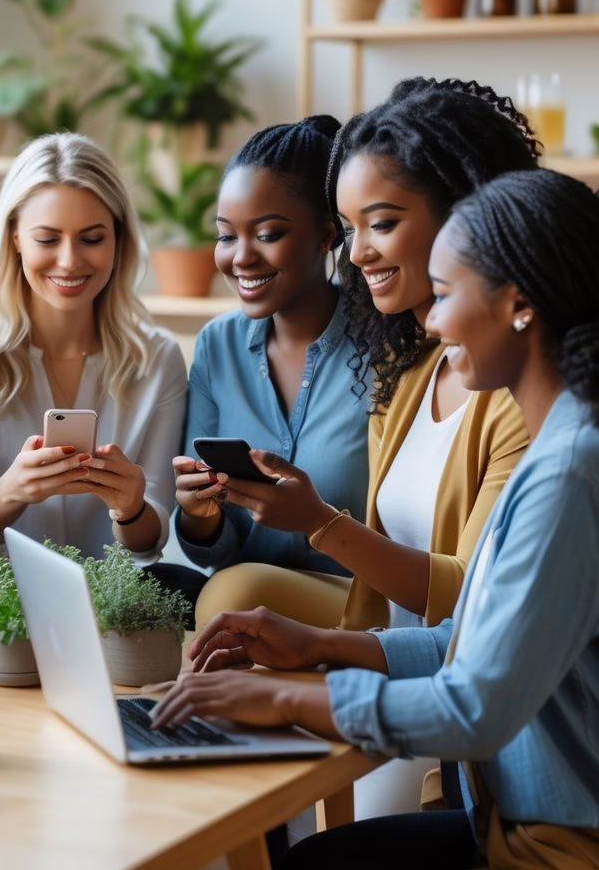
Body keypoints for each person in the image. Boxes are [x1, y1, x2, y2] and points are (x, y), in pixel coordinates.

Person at [151, 168, 599, 869]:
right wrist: (316, 647)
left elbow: (475, 707)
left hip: (553, 850)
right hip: (506, 825)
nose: (432, 320)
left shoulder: (570, 472)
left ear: (519, 304)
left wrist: (283, 699)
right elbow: (472, 642)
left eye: (447, 295)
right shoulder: (563, 443)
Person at [0, 132, 192, 628]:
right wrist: (14, 490)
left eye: (92, 238)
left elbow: (149, 540)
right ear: (15, 239)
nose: (70, 261)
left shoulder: (158, 359)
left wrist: (131, 507)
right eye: (48, 239)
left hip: (104, 605)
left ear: (119, 242)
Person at [172, 116, 370, 631]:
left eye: (268, 234)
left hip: (362, 602)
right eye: (225, 236)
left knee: (233, 593)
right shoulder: (219, 346)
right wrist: (200, 513)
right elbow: (216, 549)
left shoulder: (384, 345)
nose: (241, 258)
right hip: (245, 602)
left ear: (328, 235)